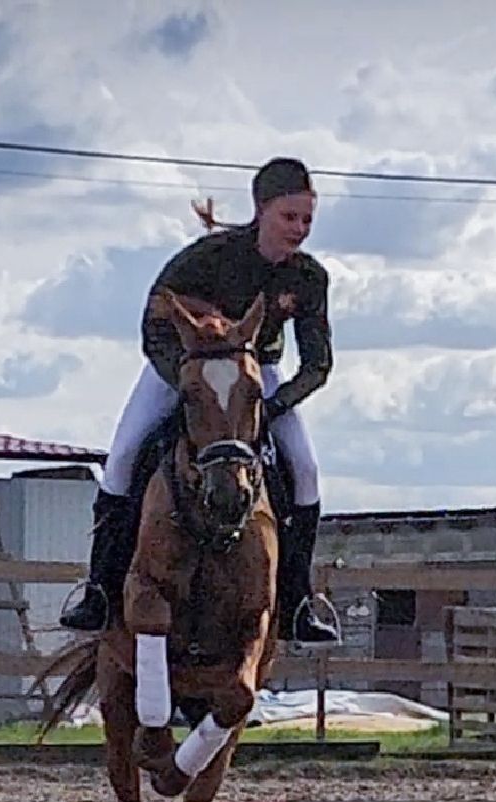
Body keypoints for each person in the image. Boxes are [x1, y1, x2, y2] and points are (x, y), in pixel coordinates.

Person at [58, 156, 340, 644]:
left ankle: (297, 602)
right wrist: (192, 388)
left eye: (307, 220)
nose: (299, 229)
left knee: (307, 471)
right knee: (123, 457)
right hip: (182, 369)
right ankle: (99, 591)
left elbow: (317, 364)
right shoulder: (208, 257)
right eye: (289, 217)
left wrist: (270, 407)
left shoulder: (309, 277)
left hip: (258, 376)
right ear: (262, 210)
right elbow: (153, 327)